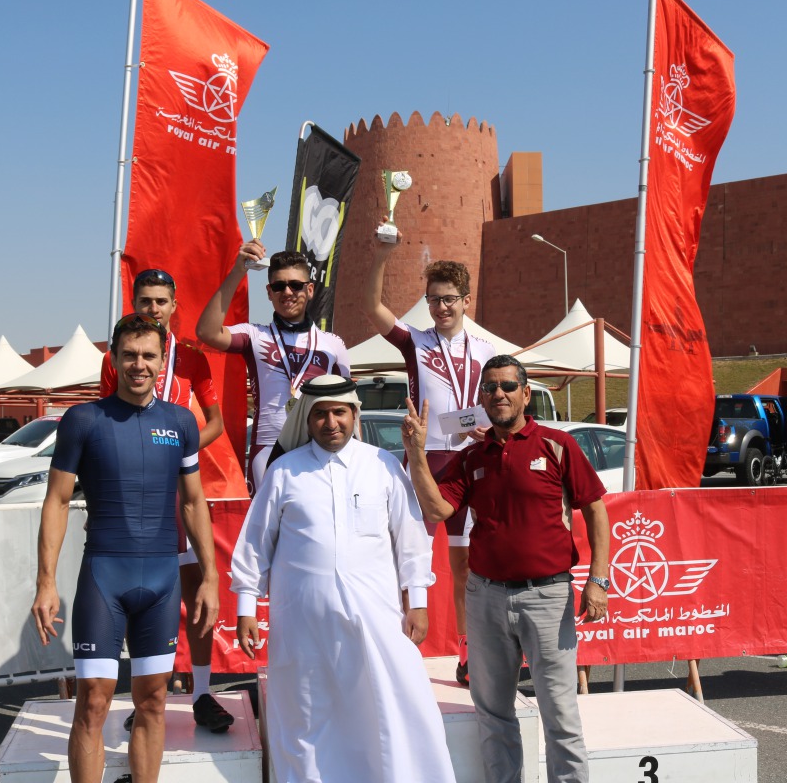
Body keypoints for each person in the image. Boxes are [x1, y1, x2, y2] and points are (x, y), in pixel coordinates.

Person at [230, 375, 456, 783]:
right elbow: (254, 545)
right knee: (306, 715)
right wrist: (246, 607)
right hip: (302, 622)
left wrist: (417, 601)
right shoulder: (284, 472)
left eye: (339, 412)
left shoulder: (383, 465)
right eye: (320, 414)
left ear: (355, 414)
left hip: (376, 616)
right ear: (308, 419)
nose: (330, 422)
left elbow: (409, 538)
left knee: (388, 707)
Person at [402, 355, 611, 783]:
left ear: (525, 394)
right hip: (486, 598)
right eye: (490, 387)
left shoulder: (557, 445)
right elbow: (437, 509)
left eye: (507, 386)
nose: (498, 393)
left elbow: (595, 509)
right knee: (494, 714)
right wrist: (416, 454)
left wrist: (598, 580)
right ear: (482, 398)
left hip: (549, 596)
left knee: (561, 716)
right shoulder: (473, 456)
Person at [32, 314, 220, 783]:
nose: (139, 364)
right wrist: (46, 582)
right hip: (104, 576)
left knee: (154, 700)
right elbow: (56, 500)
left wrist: (212, 578)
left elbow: (194, 502)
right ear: (114, 359)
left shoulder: (180, 423)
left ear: (162, 362)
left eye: (148, 355)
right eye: (130, 354)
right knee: (93, 700)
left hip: (160, 578)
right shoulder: (84, 420)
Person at [99, 268, 233, 733]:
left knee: (196, 590)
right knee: (142, 596)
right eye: (144, 300)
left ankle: (200, 693)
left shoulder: (193, 359)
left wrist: (182, 451)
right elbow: (106, 421)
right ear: (133, 302)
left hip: (180, 490)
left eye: (160, 301)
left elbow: (215, 421)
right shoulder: (118, 357)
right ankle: (146, 695)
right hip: (135, 495)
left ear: (174, 305)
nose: (152, 308)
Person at [364, 236, 496, 686]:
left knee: (464, 567)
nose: (441, 308)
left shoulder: (483, 350)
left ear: (466, 300)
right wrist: (382, 257)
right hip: (425, 462)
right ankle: (401, 650)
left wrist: (490, 431)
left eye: (449, 300)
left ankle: (467, 655)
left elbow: (503, 404)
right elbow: (372, 309)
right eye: (434, 300)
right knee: (408, 560)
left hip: (471, 461)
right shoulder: (415, 342)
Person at [196, 241, 349, 492]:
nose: (287, 292)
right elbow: (206, 331)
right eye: (279, 286)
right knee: (270, 529)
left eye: (296, 285)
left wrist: (355, 451)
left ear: (310, 290)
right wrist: (238, 270)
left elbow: (350, 407)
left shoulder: (333, 344)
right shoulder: (254, 336)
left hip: (320, 445)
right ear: (269, 292)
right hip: (268, 446)